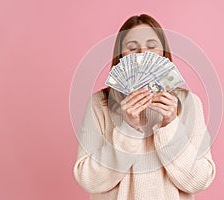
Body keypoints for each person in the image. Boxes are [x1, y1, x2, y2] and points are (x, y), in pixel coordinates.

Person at [73, 14, 216, 200]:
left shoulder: (189, 103)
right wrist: (128, 129)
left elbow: (200, 180)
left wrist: (170, 125)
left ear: (163, 53)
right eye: (132, 48)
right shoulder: (99, 104)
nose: (142, 54)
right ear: (120, 56)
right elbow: (88, 179)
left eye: (151, 46)